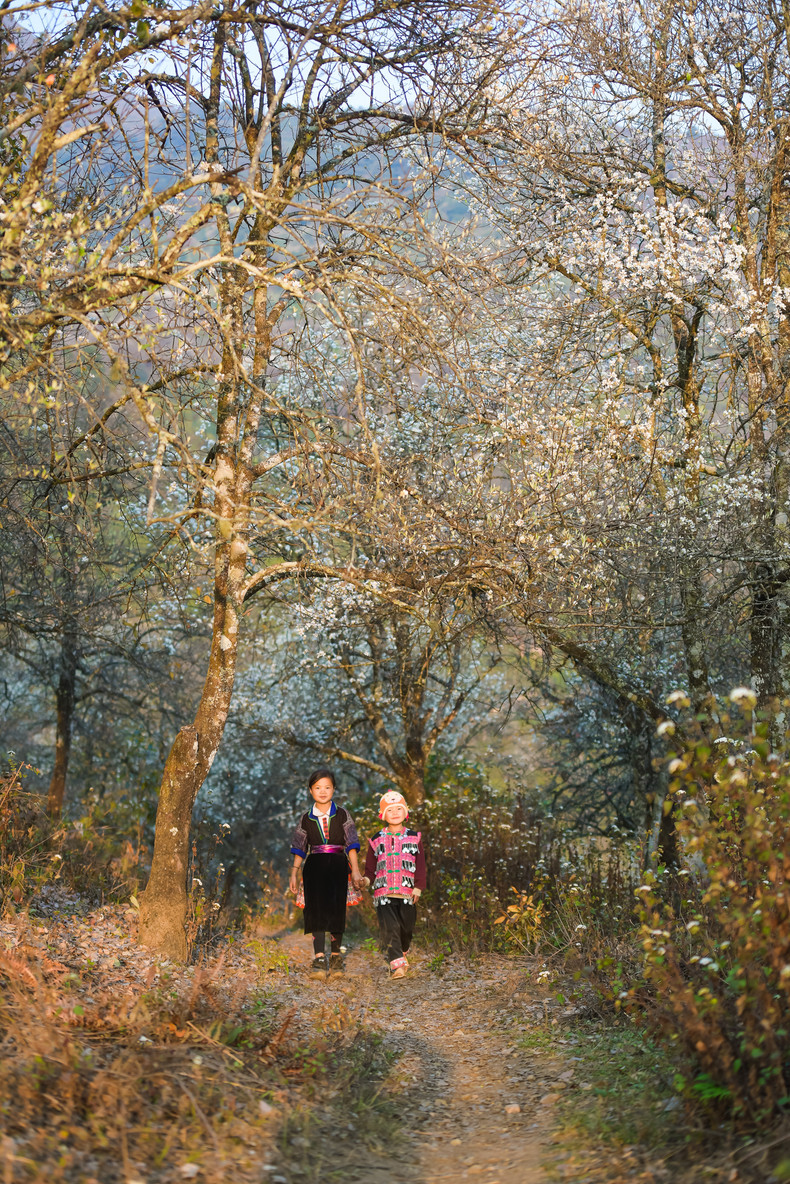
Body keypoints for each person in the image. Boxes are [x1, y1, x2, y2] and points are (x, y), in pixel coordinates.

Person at [289, 768, 363, 976]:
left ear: (334, 789)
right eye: (318, 787)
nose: (323, 791)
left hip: (339, 865)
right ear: (310, 791)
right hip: (314, 867)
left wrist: (356, 871)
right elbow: (299, 847)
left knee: (336, 909)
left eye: (327, 787)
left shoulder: (342, 815)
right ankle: (319, 958)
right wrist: (294, 872)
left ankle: (336, 957)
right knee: (315, 911)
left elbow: (352, 844)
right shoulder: (306, 818)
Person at [363, 790, 426, 979]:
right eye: (391, 810)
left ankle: (403, 950)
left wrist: (418, 887)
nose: (396, 813)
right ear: (383, 815)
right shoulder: (376, 840)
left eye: (399, 808)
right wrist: (366, 881)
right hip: (383, 892)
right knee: (390, 928)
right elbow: (370, 868)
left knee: (406, 927)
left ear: (406, 812)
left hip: (407, 891)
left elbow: (421, 865)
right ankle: (397, 965)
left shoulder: (414, 838)